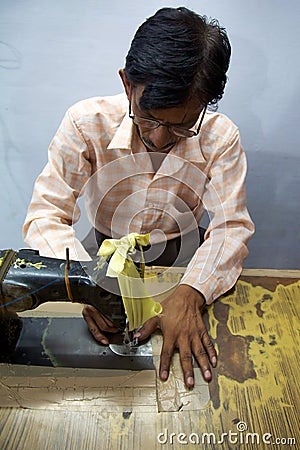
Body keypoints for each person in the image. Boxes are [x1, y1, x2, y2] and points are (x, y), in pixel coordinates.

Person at [23, 7, 254, 388]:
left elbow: (231, 227)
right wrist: (84, 283)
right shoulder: (85, 123)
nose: (160, 138)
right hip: (98, 254)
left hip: (182, 255)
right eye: (149, 117)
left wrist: (191, 291)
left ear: (205, 104)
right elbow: (46, 214)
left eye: (182, 124)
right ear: (128, 85)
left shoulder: (221, 138)